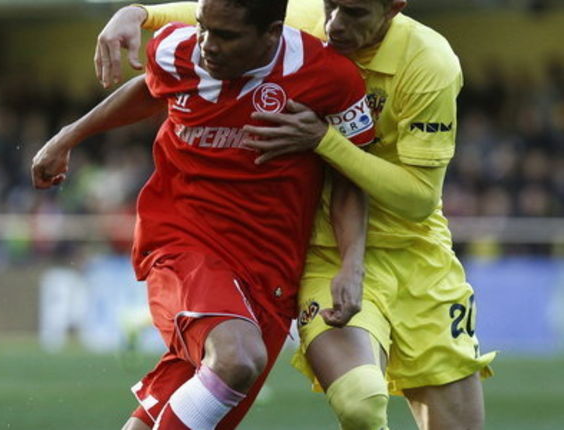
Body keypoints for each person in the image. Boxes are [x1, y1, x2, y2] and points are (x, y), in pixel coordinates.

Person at [92, 1, 496, 429]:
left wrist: (324, 140)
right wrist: (134, 13)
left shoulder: (429, 63)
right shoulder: (294, 20)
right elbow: (211, 15)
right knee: (360, 402)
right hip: (326, 252)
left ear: (394, 8)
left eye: (354, 12)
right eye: (331, 4)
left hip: (417, 257)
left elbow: (417, 200)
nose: (334, 23)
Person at [32, 0, 377, 428]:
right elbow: (150, 88)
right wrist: (68, 136)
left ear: (271, 33)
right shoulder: (176, 50)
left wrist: (351, 262)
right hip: (181, 239)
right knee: (237, 358)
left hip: (269, 272)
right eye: (202, 28)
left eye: (226, 35)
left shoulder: (329, 77)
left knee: (178, 410)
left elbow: (350, 173)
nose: (207, 46)